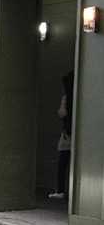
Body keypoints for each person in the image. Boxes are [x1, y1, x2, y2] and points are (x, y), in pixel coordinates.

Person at [49, 71, 74, 199]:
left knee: (63, 161)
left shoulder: (67, 96)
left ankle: (60, 189)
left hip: (67, 133)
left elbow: (61, 113)